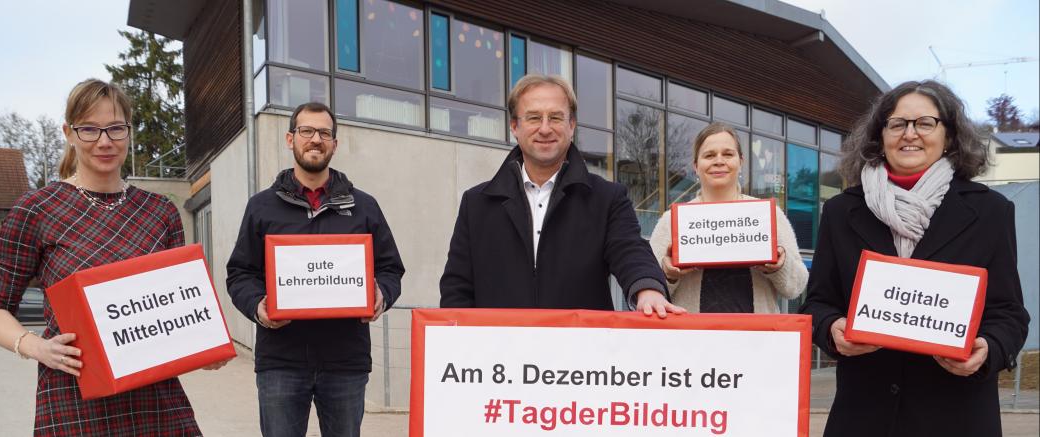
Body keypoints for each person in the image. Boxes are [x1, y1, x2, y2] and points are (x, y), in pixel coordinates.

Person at [0, 78, 223, 435]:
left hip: (155, 398)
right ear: (69, 133)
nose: (104, 141)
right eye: (90, 129)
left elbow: (178, 305)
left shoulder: (161, 212)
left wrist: (205, 347)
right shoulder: (36, 209)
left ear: (128, 132)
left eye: (115, 129)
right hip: (74, 397)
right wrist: (35, 347)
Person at [800, 80, 1029, 436]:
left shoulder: (991, 211)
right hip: (864, 415)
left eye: (925, 123)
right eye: (897, 124)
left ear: (949, 135)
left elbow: (1009, 313)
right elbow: (816, 303)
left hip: (957, 415)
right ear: (881, 135)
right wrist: (832, 329)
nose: (910, 134)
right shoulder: (842, 211)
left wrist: (988, 349)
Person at [227, 101, 405, 437]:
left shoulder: (364, 206)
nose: (316, 139)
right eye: (307, 131)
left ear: (334, 144)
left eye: (324, 133)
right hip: (281, 360)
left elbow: (390, 268)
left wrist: (381, 295)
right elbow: (240, 273)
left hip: (345, 361)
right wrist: (257, 306)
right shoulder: (261, 206)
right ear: (290, 139)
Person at [440, 74, 682, 316]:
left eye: (555, 117)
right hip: (498, 351)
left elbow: (630, 250)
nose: (545, 128)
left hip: (581, 348)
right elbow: (456, 288)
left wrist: (648, 287)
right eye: (534, 118)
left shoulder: (607, 198)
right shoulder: (476, 203)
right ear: (514, 126)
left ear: (572, 125)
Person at [648, 122, 807, 313]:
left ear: (741, 161)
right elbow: (650, 290)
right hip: (694, 338)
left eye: (728, 154)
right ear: (696, 166)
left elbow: (796, 286)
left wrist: (779, 267)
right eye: (709, 155)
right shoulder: (671, 221)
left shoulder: (768, 216)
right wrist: (669, 274)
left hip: (757, 338)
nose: (719, 161)